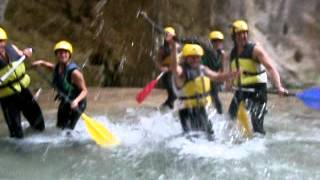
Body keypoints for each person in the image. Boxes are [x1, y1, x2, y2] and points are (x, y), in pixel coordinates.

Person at [227, 20, 288, 135]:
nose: (243, 36)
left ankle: (260, 147)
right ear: (234, 36)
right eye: (239, 33)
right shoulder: (233, 53)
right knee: (230, 117)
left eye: (245, 33)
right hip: (241, 91)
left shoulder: (255, 50)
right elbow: (232, 72)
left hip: (257, 91)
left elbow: (271, 68)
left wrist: (279, 86)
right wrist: (229, 83)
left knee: (257, 126)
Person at [170, 43, 238, 140]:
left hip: (201, 109)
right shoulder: (182, 72)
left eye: (197, 57)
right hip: (186, 112)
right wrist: (173, 50)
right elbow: (174, 68)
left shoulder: (202, 69)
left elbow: (218, 77)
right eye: (192, 57)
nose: (195, 60)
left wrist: (231, 74)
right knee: (192, 138)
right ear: (185, 58)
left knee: (210, 136)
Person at [0, 27, 45, 138]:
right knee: (16, 135)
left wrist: (26, 52)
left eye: (0, 41)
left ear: (5, 41)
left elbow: (23, 53)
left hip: (23, 92)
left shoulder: (12, 48)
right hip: (7, 98)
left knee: (39, 124)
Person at [32, 40, 88, 130]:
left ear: (70, 54)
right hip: (65, 100)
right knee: (60, 126)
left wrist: (76, 101)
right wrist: (42, 63)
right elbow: (52, 67)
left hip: (78, 103)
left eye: (65, 52)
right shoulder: (58, 68)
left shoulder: (75, 73)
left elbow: (85, 91)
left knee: (69, 129)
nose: (63, 55)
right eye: (60, 53)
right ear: (56, 54)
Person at [155, 27, 181, 110]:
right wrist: (162, 68)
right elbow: (158, 61)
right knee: (173, 94)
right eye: (166, 35)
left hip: (176, 73)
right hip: (167, 74)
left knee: (174, 95)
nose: (167, 37)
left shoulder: (178, 47)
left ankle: (166, 109)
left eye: (169, 35)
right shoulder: (162, 49)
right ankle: (165, 109)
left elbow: (182, 59)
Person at [201, 31, 226, 114]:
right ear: (211, 42)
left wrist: (222, 79)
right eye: (215, 41)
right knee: (203, 99)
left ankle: (219, 116)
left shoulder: (221, 54)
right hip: (204, 78)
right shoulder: (206, 52)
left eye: (219, 41)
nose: (217, 43)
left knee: (216, 100)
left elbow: (222, 68)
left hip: (214, 79)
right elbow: (202, 66)